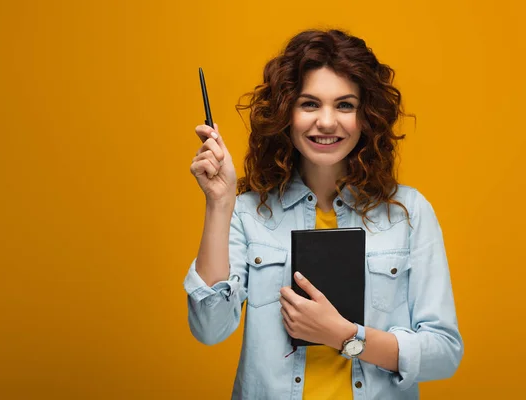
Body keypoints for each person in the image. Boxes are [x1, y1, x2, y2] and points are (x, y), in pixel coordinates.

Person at [184, 29, 463, 400]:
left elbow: (444, 352)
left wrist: (345, 336)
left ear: (366, 118)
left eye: (345, 105)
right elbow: (209, 328)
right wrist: (219, 204)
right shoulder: (249, 212)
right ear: (286, 113)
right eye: (310, 104)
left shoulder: (409, 213)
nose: (327, 122)